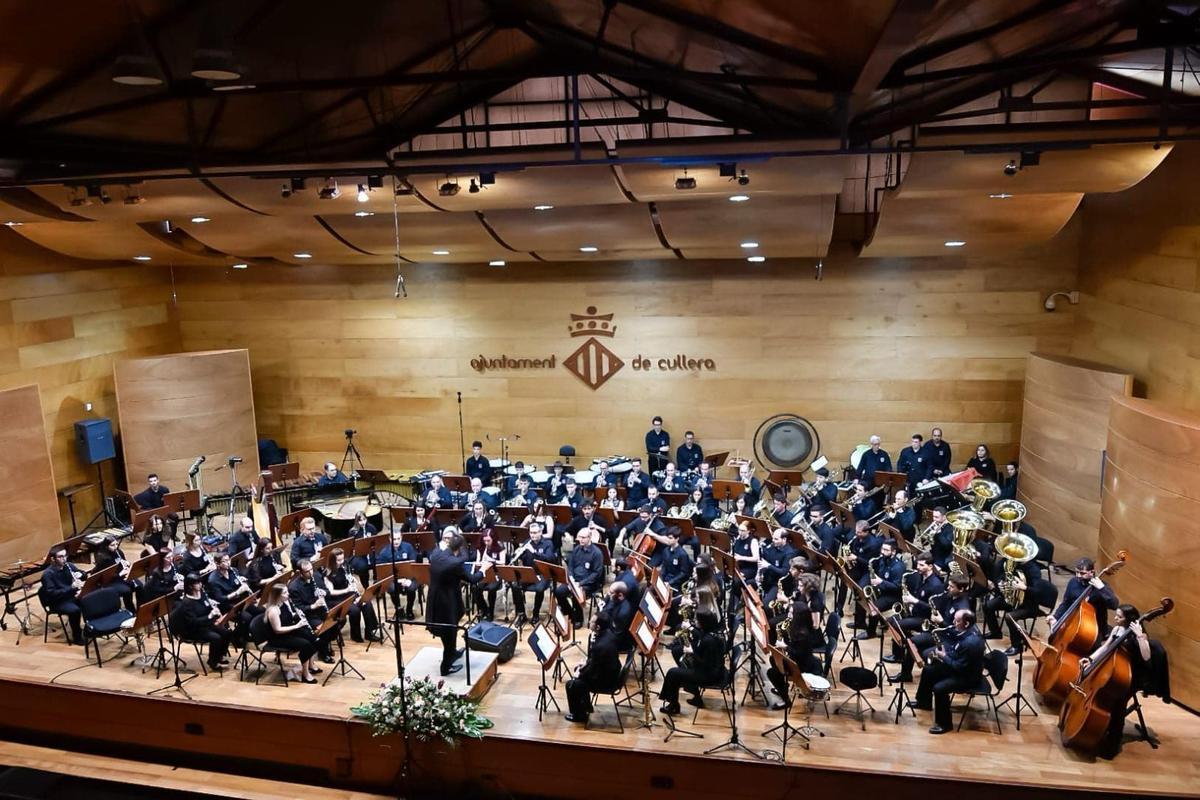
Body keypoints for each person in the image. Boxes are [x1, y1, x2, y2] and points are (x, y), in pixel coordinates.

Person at [1077, 603, 1154, 758]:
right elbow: (1106, 647)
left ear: (1128, 619)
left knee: (1118, 708)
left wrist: (1139, 635)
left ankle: (1113, 743)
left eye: (1119, 616)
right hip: (1114, 671)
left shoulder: (1139, 635)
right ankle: (1097, 730)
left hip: (1130, 676)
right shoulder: (1118, 629)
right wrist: (1090, 659)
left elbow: (1147, 657)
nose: (1115, 618)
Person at [911, 608, 985, 734]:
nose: (953, 623)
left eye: (956, 621)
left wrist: (944, 657)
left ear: (966, 624)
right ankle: (924, 701)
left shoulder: (971, 642)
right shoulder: (964, 633)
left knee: (939, 688)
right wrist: (945, 654)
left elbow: (959, 667)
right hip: (961, 667)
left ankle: (945, 724)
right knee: (929, 670)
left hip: (968, 677)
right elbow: (956, 652)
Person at [427, 529, 485, 676]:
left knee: (449, 630)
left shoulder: (437, 554)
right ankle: (446, 667)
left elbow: (462, 556)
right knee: (449, 632)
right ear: (458, 548)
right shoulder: (454, 564)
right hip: (446, 602)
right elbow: (472, 579)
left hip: (436, 598)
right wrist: (483, 570)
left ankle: (452, 652)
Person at [658, 611, 727, 715]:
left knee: (673, 673)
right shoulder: (708, 633)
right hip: (709, 670)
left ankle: (673, 706)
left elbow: (706, 664)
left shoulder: (709, 641)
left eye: (698, 620)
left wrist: (692, 653)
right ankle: (675, 702)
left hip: (710, 676)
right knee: (677, 667)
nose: (696, 622)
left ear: (704, 622)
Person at [564, 610, 624, 724]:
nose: (589, 623)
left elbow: (592, 672)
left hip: (606, 681)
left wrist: (579, 673)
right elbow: (596, 663)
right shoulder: (610, 634)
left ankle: (579, 714)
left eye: (591, 622)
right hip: (613, 672)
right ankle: (586, 707)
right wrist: (586, 665)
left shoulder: (600, 646)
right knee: (579, 676)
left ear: (597, 627)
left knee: (572, 684)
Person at [169, 573, 232, 672]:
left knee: (226, 632)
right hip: (193, 630)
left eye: (200, 582)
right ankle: (213, 662)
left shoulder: (201, 594)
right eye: (197, 583)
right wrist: (210, 616)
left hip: (205, 624)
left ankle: (219, 656)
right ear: (190, 586)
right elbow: (193, 622)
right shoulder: (187, 603)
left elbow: (206, 606)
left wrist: (213, 608)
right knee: (216, 638)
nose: (200, 584)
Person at [263, 584, 320, 684]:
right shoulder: (273, 610)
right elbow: (277, 630)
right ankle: (305, 674)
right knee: (305, 644)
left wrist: (297, 615)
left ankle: (310, 665)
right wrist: (297, 626)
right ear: (278, 595)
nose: (288, 594)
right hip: (278, 638)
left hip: (287, 632)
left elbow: (288, 617)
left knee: (312, 637)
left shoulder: (283, 603)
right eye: (285, 593)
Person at [1048, 557, 1120, 635]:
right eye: (1077, 572)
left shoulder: (1101, 586)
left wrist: (1102, 588)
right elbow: (1066, 602)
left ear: (1092, 572)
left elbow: (1114, 605)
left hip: (1094, 628)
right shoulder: (1073, 582)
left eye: (1082, 573)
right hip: (1074, 622)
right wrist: (1056, 617)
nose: (1078, 576)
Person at [288, 559, 338, 662]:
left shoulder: (316, 577)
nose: (311, 573)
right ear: (300, 572)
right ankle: (323, 653)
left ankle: (325, 643)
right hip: (309, 615)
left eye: (311, 569)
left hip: (320, 611)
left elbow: (327, 591)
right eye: (307, 571)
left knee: (337, 621)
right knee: (324, 628)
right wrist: (313, 606)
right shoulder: (294, 588)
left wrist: (324, 593)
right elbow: (298, 608)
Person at [854, 539, 904, 639]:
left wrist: (881, 582)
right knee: (864, 596)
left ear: (893, 552)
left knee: (873, 608)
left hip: (893, 596)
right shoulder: (883, 560)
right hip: (883, 590)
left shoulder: (898, 567)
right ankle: (879, 621)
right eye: (882, 549)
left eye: (886, 550)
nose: (882, 552)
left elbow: (897, 587)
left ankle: (871, 632)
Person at [511, 521, 558, 625]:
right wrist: (519, 553)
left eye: (535, 532)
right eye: (531, 533)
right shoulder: (527, 542)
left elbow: (550, 559)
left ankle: (536, 613)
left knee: (540, 589)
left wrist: (534, 552)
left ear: (541, 532)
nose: (533, 535)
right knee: (515, 586)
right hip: (529, 573)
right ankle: (521, 614)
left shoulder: (548, 543)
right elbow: (523, 558)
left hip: (544, 574)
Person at [39, 547, 85, 644]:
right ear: (53, 559)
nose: (64, 559)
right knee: (75, 610)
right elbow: (52, 594)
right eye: (60, 557)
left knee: (89, 599)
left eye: (65, 556)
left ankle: (90, 627)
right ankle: (77, 637)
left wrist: (81, 575)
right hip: (57, 602)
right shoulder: (48, 574)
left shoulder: (69, 566)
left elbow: (84, 575)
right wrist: (71, 587)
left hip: (70, 596)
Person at [376, 532, 420, 621]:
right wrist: (397, 580)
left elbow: (413, 564)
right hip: (393, 579)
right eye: (394, 539)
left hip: (409, 576)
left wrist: (408, 579)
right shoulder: (384, 553)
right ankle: (398, 608)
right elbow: (383, 571)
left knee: (411, 588)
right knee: (392, 589)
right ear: (390, 539)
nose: (396, 541)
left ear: (401, 538)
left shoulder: (408, 547)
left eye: (398, 539)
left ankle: (409, 609)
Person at [91, 534, 138, 611]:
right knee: (127, 591)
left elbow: (124, 564)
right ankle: (131, 611)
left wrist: (127, 564)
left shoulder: (118, 552)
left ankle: (141, 609)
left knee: (139, 586)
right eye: (112, 545)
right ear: (106, 546)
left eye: (116, 544)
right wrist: (120, 574)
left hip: (121, 577)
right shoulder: (103, 558)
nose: (116, 547)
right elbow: (106, 576)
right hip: (111, 582)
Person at [469, 529, 506, 621]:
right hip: (484, 572)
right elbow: (478, 560)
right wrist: (479, 563)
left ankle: (491, 612)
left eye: (488, 540)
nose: (486, 543)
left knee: (492, 588)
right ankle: (484, 609)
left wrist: (492, 560)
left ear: (493, 539)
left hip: (496, 573)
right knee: (475, 587)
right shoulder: (480, 547)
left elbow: (503, 562)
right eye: (484, 540)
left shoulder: (500, 547)